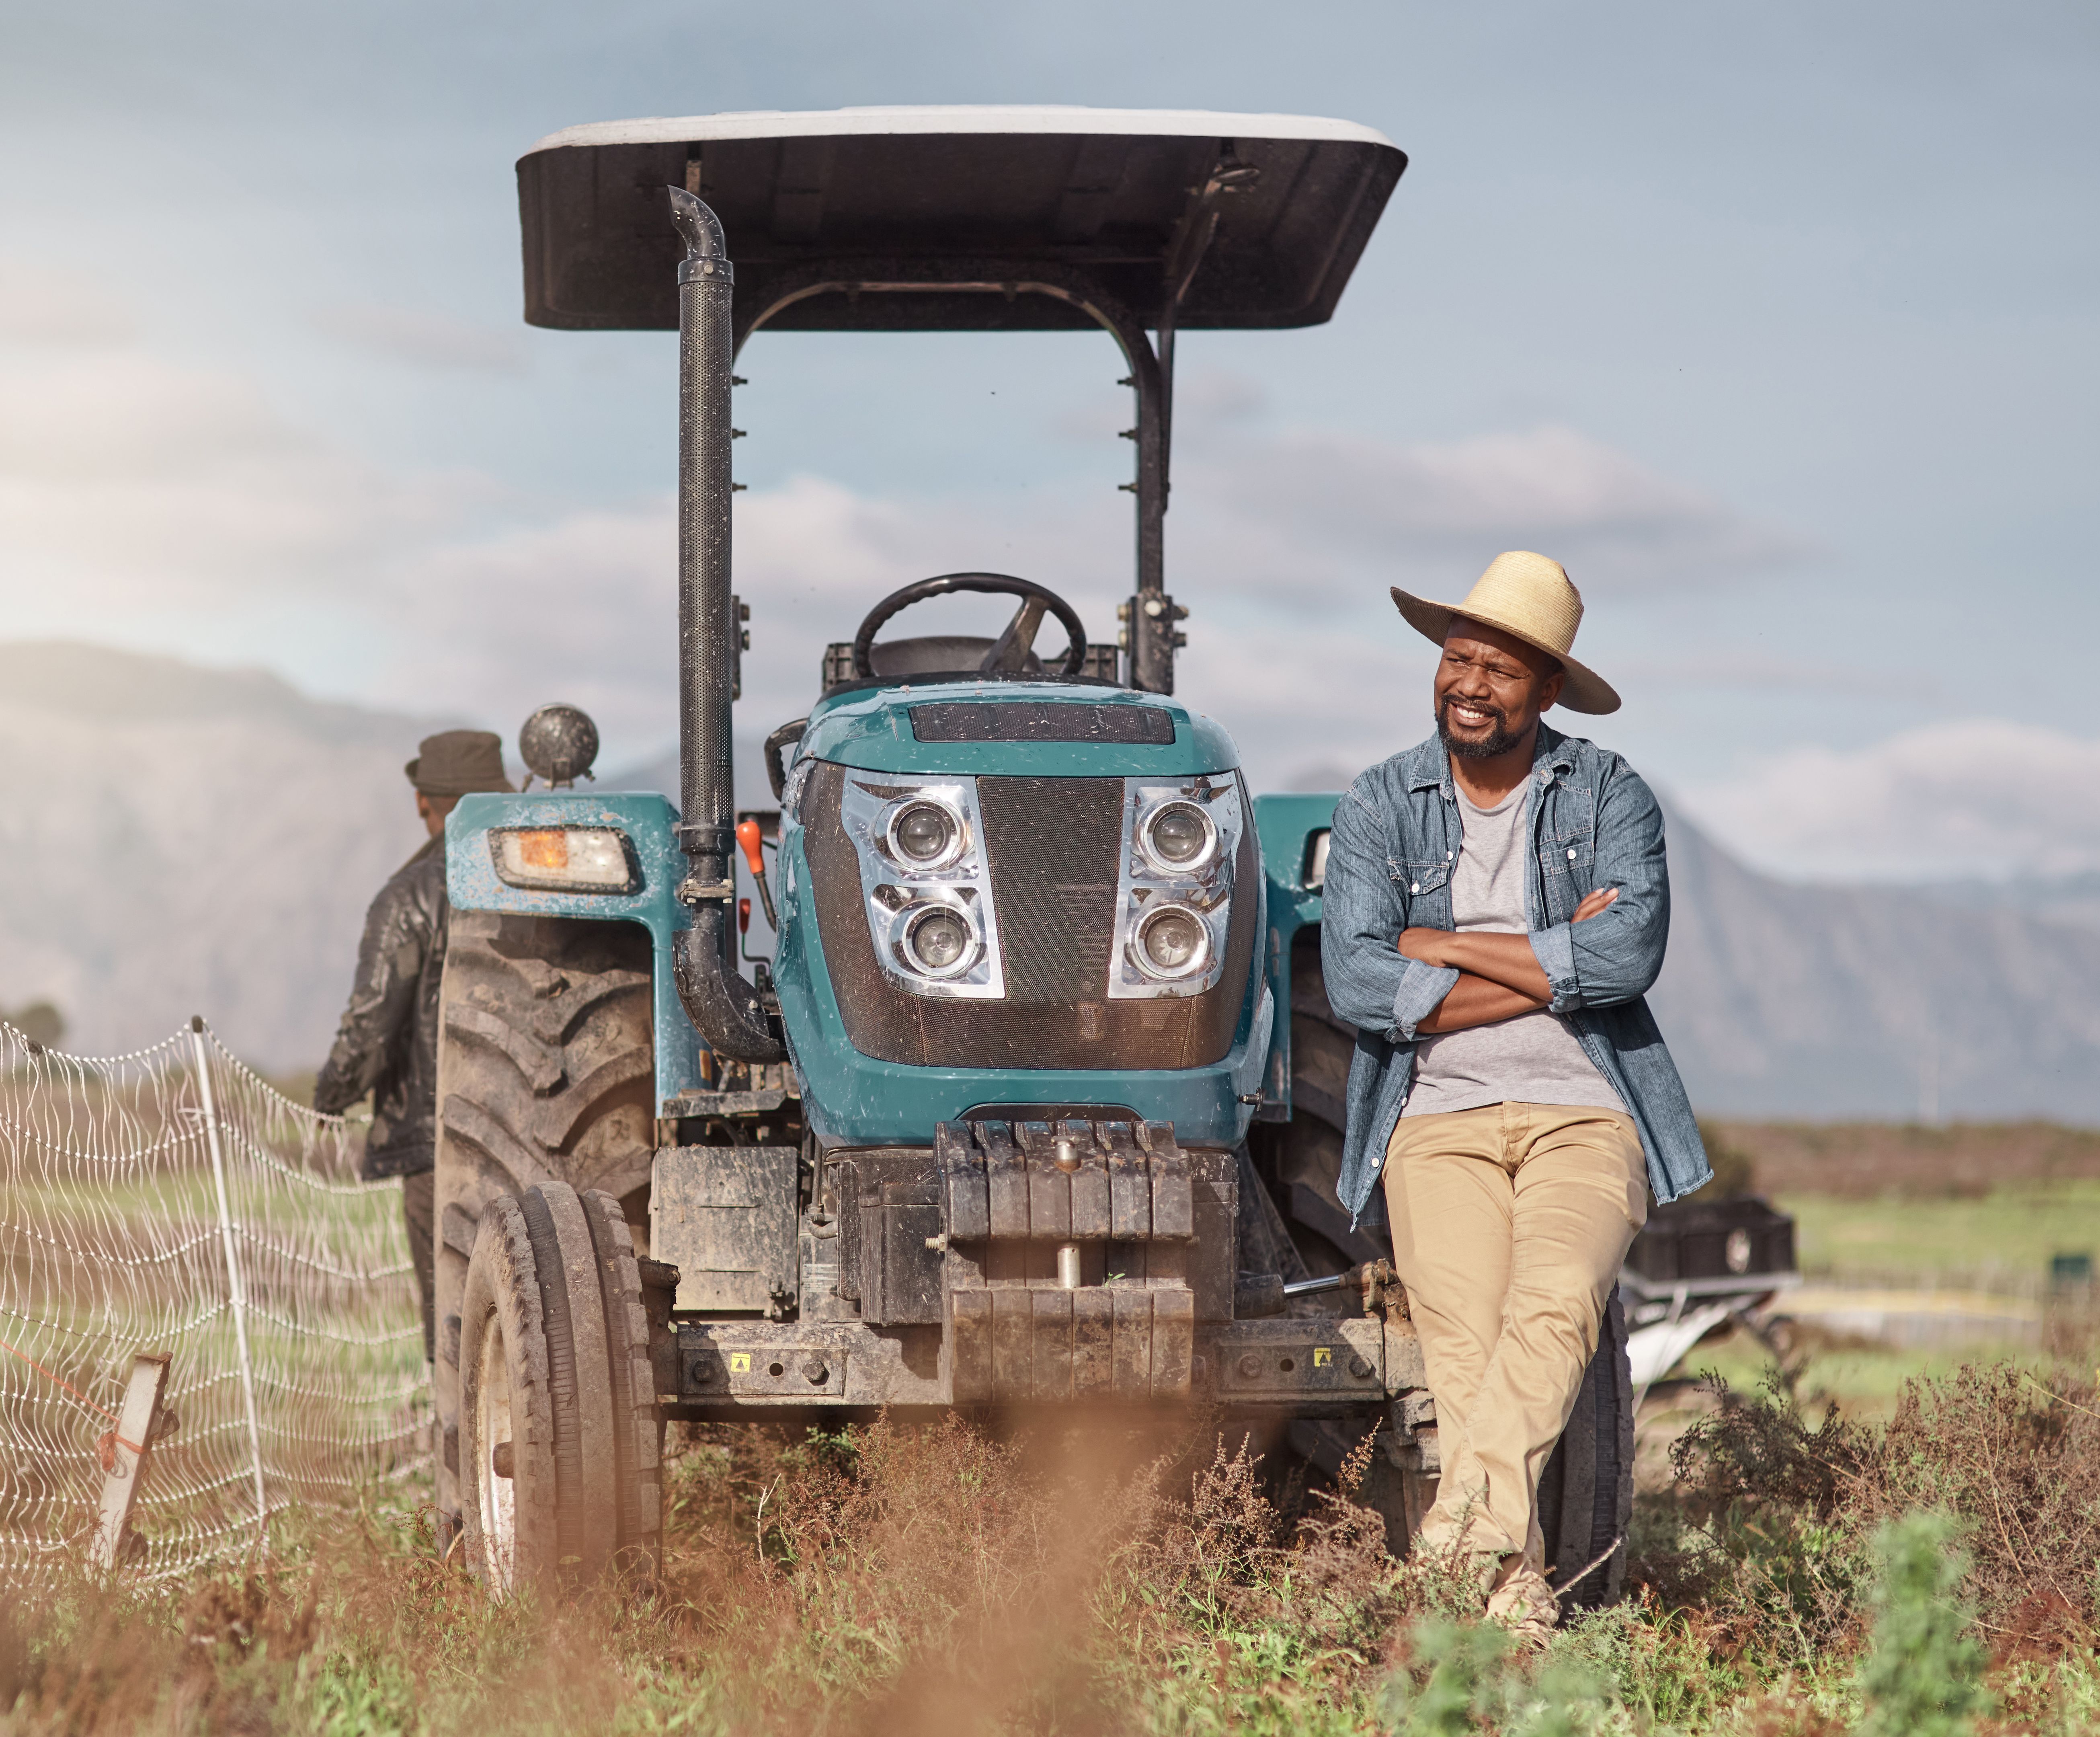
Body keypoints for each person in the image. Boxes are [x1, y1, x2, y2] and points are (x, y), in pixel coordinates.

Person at [1320, 551, 1710, 1641]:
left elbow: (1625, 960)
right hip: (1433, 1118)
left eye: (1500, 669)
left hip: (1588, 1108)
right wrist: (1548, 958)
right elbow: (1357, 982)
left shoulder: (1609, 792)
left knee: (1554, 1313)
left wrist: (1439, 949)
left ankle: (1452, 1556)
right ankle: (1517, 1608)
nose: (1471, 684)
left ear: (1545, 691)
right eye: (1458, 659)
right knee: (1467, 1354)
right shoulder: (1379, 803)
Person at [314, 730, 513, 1365]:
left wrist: (332, 1095)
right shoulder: (542, 875)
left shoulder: (410, 896)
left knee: (454, 1318)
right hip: (539, 1146)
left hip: (438, 1147)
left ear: (428, 804)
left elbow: (372, 1020)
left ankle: (463, 1449)